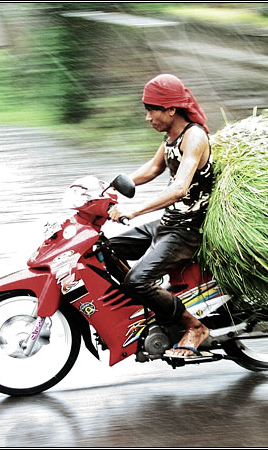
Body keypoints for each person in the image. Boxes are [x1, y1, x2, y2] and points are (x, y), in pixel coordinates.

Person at [108, 74, 213, 358]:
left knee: (137, 281)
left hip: (188, 229)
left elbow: (179, 188)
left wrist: (134, 209)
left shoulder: (194, 137)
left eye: (151, 109)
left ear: (171, 109)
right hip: (168, 223)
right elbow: (154, 169)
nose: (147, 117)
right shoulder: (171, 137)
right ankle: (152, 308)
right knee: (105, 249)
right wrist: (111, 187)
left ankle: (194, 326)